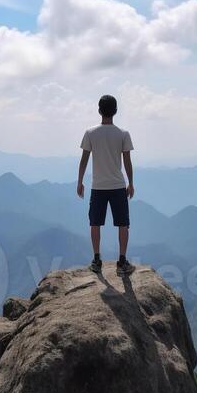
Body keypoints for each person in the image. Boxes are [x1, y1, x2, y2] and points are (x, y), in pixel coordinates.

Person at [77, 94, 135, 276]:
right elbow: (127, 162)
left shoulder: (90, 133)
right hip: (118, 185)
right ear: (116, 111)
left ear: (99, 110)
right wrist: (131, 183)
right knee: (123, 223)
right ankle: (122, 261)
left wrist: (80, 182)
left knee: (95, 223)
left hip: (98, 186)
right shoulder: (123, 134)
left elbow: (84, 159)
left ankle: (96, 259)